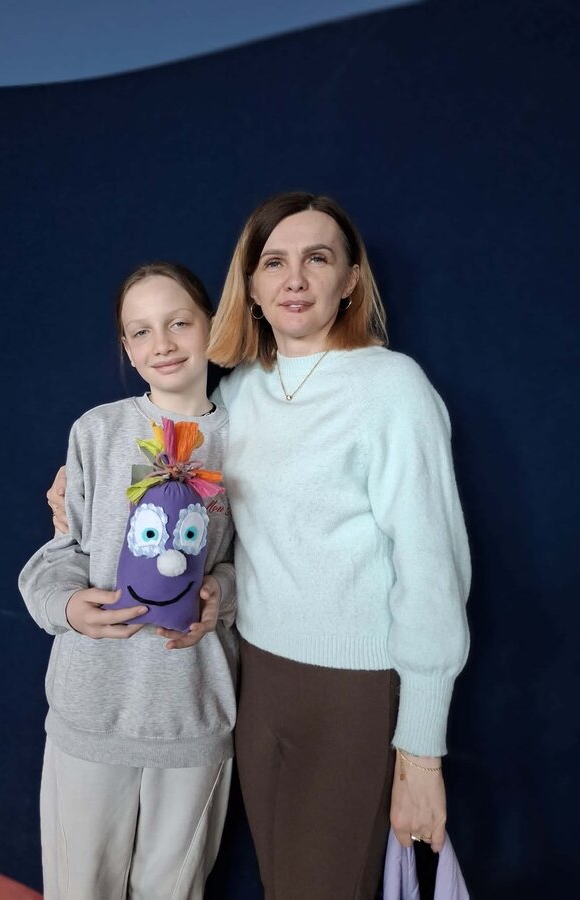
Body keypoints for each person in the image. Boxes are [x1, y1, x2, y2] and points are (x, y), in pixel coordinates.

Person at [49, 192, 471, 900]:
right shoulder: (239, 394)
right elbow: (209, 527)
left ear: (350, 279)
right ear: (248, 286)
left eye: (317, 258)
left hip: (352, 689)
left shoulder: (394, 391)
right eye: (274, 262)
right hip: (255, 682)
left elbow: (432, 571)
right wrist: (78, 501)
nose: (294, 279)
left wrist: (421, 754)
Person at [19, 262, 238, 900]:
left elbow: (268, 564)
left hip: (192, 711)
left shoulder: (247, 439)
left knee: (173, 889)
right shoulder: (97, 431)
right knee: (78, 887)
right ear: (126, 346)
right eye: (141, 331)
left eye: (179, 323)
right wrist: (67, 605)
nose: (162, 344)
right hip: (92, 708)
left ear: (212, 324)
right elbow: (64, 551)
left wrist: (222, 594)